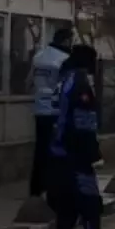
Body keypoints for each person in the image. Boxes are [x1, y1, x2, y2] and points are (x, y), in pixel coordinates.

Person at [46, 41, 115, 229]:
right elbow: (83, 122)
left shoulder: (62, 80)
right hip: (75, 154)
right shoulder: (80, 82)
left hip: (57, 151)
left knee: (67, 205)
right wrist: (92, 152)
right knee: (90, 202)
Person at [28, 25, 74, 197]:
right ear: (66, 40)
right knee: (58, 152)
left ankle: (36, 189)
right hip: (57, 112)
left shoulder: (38, 56)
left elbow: (29, 82)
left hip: (40, 110)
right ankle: (54, 189)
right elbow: (68, 88)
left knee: (40, 150)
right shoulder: (65, 59)